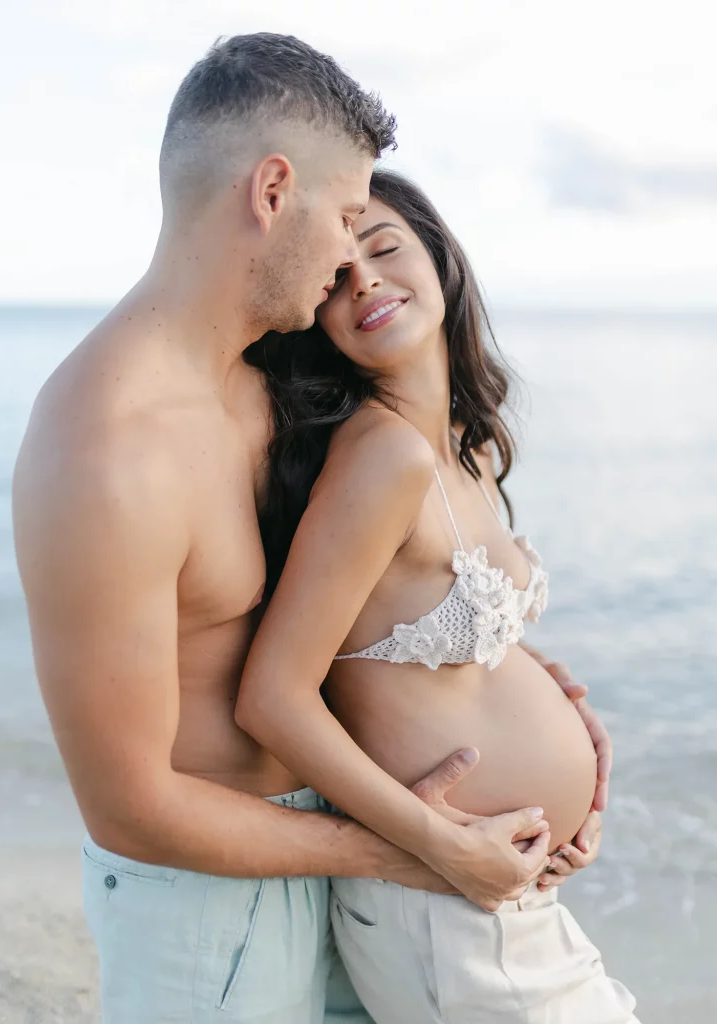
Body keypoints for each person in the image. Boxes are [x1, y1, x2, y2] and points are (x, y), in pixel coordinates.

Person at [13, 33, 610, 1024]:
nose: (349, 253)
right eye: (343, 216)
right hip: (206, 909)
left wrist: (537, 703)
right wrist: (417, 844)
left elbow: (363, 612)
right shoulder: (105, 449)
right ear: (272, 189)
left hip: (341, 859)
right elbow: (127, 804)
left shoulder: (273, 389)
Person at [237, 168, 634, 1022]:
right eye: (339, 278)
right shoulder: (384, 458)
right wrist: (444, 846)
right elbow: (273, 698)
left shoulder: (467, 448)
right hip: (445, 914)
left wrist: (564, 727)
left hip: (500, 906)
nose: (367, 280)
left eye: (384, 249)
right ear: (319, 319)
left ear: (442, 263)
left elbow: (430, 645)